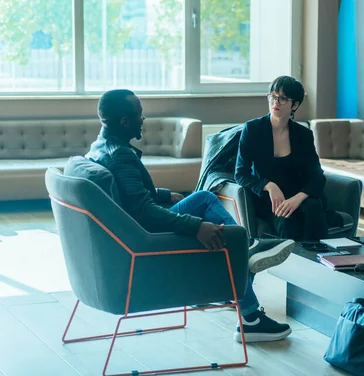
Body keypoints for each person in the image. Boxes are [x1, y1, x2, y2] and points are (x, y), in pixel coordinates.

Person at [85, 89, 295, 343]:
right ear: (124, 121)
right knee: (216, 222)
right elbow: (145, 213)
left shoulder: (100, 147)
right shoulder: (121, 156)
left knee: (204, 199)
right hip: (147, 240)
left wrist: (164, 195)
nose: (143, 119)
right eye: (139, 114)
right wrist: (196, 227)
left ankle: (245, 257)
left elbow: (130, 196)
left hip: (135, 232)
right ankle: (250, 315)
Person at [235, 76, 329, 241]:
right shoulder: (253, 129)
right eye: (272, 96)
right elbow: (240, 174)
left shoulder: (303, 135)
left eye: (283, 98)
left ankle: (322, 260)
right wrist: (269, 186)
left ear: (295, 105)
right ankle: (289, 264)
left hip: (297, 197)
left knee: (314, 208)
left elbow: (318, 177)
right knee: (287, 222)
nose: (275, 102)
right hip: (269, 200)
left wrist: (299, 197)